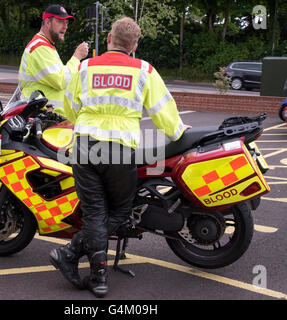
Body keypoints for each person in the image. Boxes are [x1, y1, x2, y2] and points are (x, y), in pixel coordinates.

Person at [49, 17, 191, 298]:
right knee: (120, 213)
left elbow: (70, 103)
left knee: (95, 213)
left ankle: (90, 270)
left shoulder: (86, 66)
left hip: (85, 147)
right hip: (120, 150)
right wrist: (178, 132)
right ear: (135, 45)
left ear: (110, 38)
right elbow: (163, 109)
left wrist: (82, 123)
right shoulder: (144, 70)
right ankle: (74, 258)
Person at [17, 4, 89, 114]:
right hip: (40, 118)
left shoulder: (46, 47)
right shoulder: (39, 47)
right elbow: (60, 81)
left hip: (46, 117)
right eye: (60, 21)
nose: (65, 26)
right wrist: (77, 57)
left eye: (66, 23)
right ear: (47, 22)